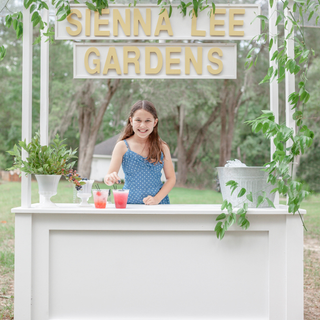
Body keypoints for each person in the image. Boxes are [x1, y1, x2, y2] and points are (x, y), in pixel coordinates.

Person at [104, 100, 176, 205]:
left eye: (147, 121)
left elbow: (171, 178)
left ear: (155, 122)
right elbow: (109, 178)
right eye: (138, 120)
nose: (142, 125)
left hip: (157, 205)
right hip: (129, 204)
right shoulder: (122, 146)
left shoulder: (162, 147)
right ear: (131, 121)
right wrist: (109, 179)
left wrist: (156, 199)